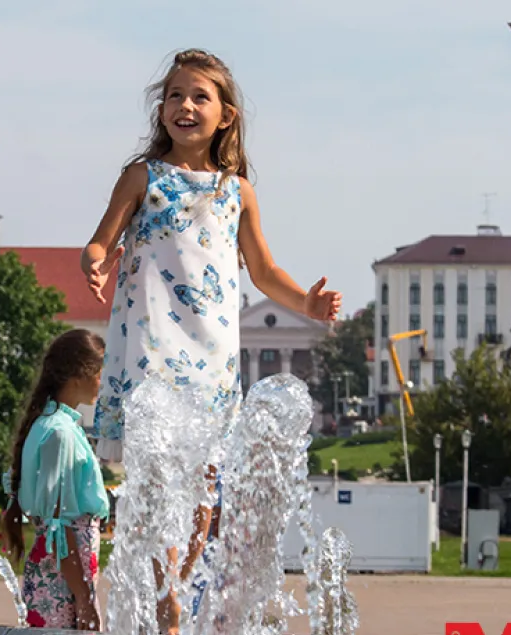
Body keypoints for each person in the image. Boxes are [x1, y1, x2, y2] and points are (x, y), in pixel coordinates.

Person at [80, 48, 342, 633]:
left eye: (200, 97)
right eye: (175, 95)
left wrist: (308, 304)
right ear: (162, 109)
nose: (185, 106)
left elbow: (264, 271)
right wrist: (94, 262)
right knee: (154, 476)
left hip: (212, 356)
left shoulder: (237, 192)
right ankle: (163, 596)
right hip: (151, 346)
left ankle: (175, 581)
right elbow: (100, 240)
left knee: (204, 488)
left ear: (225, 115)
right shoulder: (143, 177)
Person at [0, 329, 110, 631]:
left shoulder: (51, 425)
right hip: (64, 583)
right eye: (101, 372)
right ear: (80, 374)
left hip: (57, 576)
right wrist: (84, 598)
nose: (104, 381)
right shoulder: (60, 433)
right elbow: (59, 529)